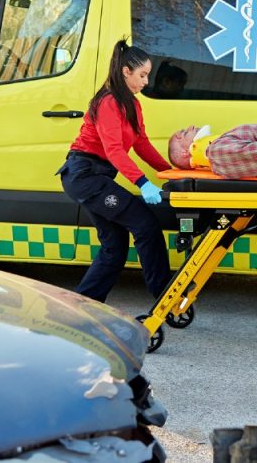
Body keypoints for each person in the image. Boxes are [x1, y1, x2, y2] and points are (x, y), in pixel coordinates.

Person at [57, 39, 172, 303]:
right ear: (125, 71)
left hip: (95, 177)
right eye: (142, 75)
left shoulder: (132, 104)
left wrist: (170, 172)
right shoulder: (108, 102)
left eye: (148, 75)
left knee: (114, 247)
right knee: (145, 225)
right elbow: (114, 150)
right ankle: (165, 295)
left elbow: (141, 143)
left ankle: (84, 305)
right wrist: (142, 182)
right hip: (85, 176)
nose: (146, 82)